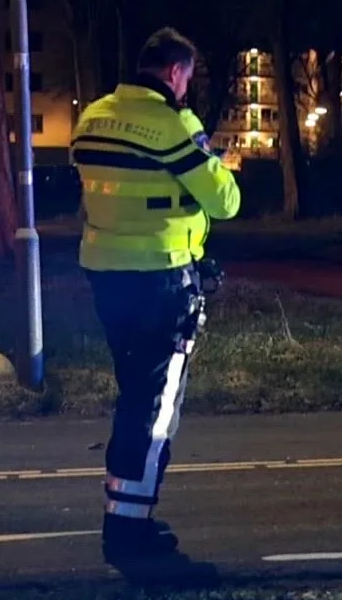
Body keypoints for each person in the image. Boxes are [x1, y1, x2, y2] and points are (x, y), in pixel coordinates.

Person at [70, 28, 241, 564]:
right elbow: (225, 202)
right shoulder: (173, 125)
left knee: (134, 397)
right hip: (161, 279)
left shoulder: (93, 116)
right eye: (187, 78)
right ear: (174, 73)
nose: (187, 89)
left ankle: (129, 516)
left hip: (104, 275)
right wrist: (221, 166)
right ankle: (127, 533)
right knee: (156, 407)